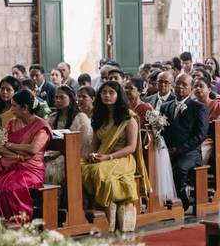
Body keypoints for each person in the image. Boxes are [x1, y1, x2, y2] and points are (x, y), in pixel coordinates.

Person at [81, 81, 149, 233]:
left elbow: (131, 147)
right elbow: (94, 144)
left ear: (119, 96)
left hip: (122, 158)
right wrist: (92, 155)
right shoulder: (99, 117)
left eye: (111, 92)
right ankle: (92, 210)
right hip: (103, 156)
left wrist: (108, 157)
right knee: (80, 166)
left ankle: (106, 206)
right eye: (104, 92)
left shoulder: (128, 118)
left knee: (99, 171)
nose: (107, 95)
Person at [0, 89, 52, 224]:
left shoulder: (41, 126)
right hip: (8, 165)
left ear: (25, 108)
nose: (11, 109)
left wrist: (9, 146)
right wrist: (18, 155)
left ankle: (17, 223)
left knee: (8, 188)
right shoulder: (11, 123)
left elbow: (33, 149)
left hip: (30, 169)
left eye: (14, 106)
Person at [161, 73, 209, 211]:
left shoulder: (198, 107)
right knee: (155, 166)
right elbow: (162, 130)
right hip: (168, 150)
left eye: (184, 84)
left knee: (179, 169)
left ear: (191, 88)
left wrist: (180, 149)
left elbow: (200, 135)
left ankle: (183, 199)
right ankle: (162, 201)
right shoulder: (166, 106)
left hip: (190, 152)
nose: (179, 87)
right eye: (177, 83)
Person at [44, 86, 92, 186]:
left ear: (71, 98)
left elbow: (82, 144)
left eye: (61, 97)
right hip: (53, 154)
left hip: (74, 156)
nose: (58, 100)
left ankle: (57, 198)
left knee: (50, 170)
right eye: (56, 97)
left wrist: (60, 153)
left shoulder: (81, 118)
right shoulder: (52, 118)